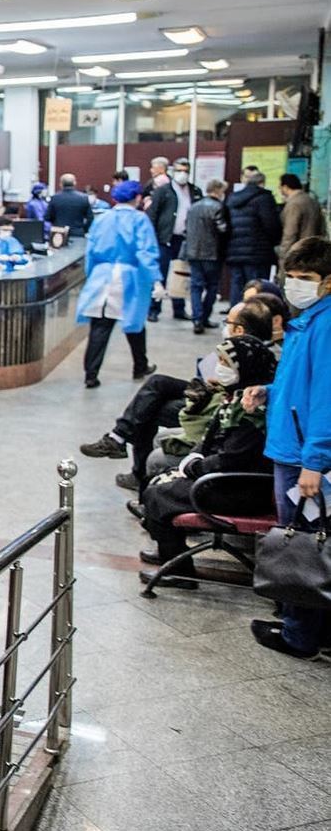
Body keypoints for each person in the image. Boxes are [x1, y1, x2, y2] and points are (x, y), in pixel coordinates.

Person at [243, 236, 331, 658]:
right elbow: (300, 385)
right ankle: (313, 629)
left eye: (306, 277)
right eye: (291, 276)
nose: (296, 284)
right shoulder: (307, 322)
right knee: (309, 539)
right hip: (292, 446)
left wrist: (315, 460)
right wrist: (269, 391)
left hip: (303, 456)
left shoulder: (325, 326)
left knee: (304, 545)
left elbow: (326, 399)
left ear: (328, 281)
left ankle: (300, 635)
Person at [79, 300, 273, 489]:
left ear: (239, 329)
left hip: (213, 404)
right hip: (213, 391)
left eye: (228, 322)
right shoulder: (240, 350)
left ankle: (133, 463)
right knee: (157, 384)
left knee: (150, 407)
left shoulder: (254, 361)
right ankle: (119, 439)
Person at [136, 335, 278, 588]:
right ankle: (171, 549)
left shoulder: (252, 410)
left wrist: (194, 468)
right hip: (224, 479)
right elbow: (211, 439)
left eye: (225, 362)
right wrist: (194, 456)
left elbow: (233, 459)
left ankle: (179, 571)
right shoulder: (234, 398)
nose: (219, 367)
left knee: (158, 495)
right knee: (155, 480)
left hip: (242, 489)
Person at [77, 180, 160, 388]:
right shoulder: (140, 220)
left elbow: (91, 252)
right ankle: (140, 366)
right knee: (135, 323)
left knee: (100, 326)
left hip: (101, 277)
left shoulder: (102, 219)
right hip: (130, 278)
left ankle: (90, 374)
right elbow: (145, 252)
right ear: (137, 198)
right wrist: (156, 280)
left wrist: (91, 276)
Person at [145, 158, 200, 322]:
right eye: (179, 170)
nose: (182, 174)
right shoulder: (164, 191)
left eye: (185, 171)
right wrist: (153, 237)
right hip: (164, 238)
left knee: (180, 273)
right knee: (159, 274)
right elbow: (153, 214)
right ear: (173, 171)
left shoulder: (194, 191)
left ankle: (179, 308)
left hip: (184, 239)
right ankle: (154, 309)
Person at [223, 169, 282, 304]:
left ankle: (236, 312)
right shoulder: (264, 198)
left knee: (237, 284)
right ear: (262, 183)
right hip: (258, 251)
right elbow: (271, 225)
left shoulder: (232, 198)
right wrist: (275, 241)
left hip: (235, 250)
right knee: (257, 287)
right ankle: (253, 313)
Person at [183, 178, 229, 334]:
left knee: (196, 287)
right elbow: (222, 229)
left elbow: (186, 228)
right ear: (218, 190)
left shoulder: (193, 207)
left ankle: (196, 318)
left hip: (193, 252)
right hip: (212, 254)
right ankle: (204, 317)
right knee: (212, 286)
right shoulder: (218, 207)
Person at [278, 174, 326, 266]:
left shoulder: (294, 204)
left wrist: (284, 258)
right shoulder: (311, 200)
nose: (280, 190)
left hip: (298, 254)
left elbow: (290, 234)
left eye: (280, 187)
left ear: (285, 187)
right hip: (313, 251)